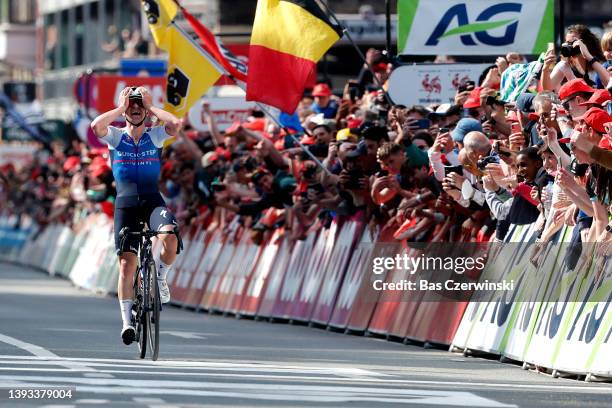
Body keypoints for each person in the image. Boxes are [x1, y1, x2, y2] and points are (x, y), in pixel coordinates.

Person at [90, 86, 181, 345]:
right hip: (126, 204)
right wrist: (120, 107)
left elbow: (176, 124)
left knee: (170, 237)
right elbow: (97, 126)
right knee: (127, 265)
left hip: (152, 201)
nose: (136, 109)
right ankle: (127, 323)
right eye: (132, 107)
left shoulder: (156, 136)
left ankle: (161, 277)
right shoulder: (117, 136)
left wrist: (151, 106)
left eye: (140, 107)